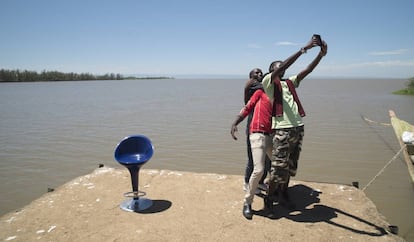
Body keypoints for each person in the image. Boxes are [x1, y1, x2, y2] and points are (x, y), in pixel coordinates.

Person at [261, 35, 328, 212]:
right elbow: (284, 66)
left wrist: (320, 55)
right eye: (278, 67)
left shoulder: (289, 83)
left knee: (290, 166)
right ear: (272, 70)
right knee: (277, 167)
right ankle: (269, 198)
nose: (282, 68)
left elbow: (307, 70)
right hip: (282, 129)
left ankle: (284, 193)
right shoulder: (268, 82)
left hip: (298, 128)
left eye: (281, 66)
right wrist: (303, 49)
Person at [230, 83, 273, 220]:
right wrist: (235, 123)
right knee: (259, 169)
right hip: (257, 133)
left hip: (273, 135)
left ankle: (269, 199)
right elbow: (247, 107)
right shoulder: (260, 93)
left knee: (279, 169)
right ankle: (247, 202)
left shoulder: (278, 96)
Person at [243, 68, 270, 193]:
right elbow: (269, 86)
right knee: (252, 159)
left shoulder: (261, 88)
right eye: (256, 72)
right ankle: (247, 183)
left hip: (264, 126)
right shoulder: (252, 84)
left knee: (267, 160)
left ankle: (259, 183)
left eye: (261, 72)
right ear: (251, 76)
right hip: (252, 127)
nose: (259, 74)